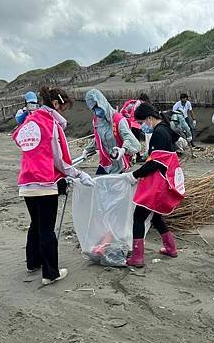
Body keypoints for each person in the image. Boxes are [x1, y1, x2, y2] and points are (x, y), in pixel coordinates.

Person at [12, 86, 94, 286]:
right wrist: (79, 174)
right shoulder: (50, 124)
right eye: (63, 107)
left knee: (36, 224)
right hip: (45, 183)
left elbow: (21, 141)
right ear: (56, 104)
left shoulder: (30, 121)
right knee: (47, 229)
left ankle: (33, 262)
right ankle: (50, 273)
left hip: (27, 182)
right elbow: (61, 160)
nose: (63, 111)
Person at [125, 103, 184, 268]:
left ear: (149, 118)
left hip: (157, 184)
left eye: (142, 122)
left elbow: (156, 163)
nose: (142, 126)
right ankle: (171, 248)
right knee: (156, 215)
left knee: (138, 217)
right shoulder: (165, 129)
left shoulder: (159, 133)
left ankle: (137, 257)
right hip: (163, 182)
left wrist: (134, 174)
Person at [85, 88, 141, 174]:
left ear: (102, 102)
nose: (97, 111)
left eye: (97, 106)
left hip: (120, 164)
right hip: (106, 162)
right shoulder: (96, 121)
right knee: (99, 184)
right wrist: (88, 149)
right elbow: (98, 138)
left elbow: (131, 140)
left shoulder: (118, 120)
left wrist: (123, 150)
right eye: (94, 108)